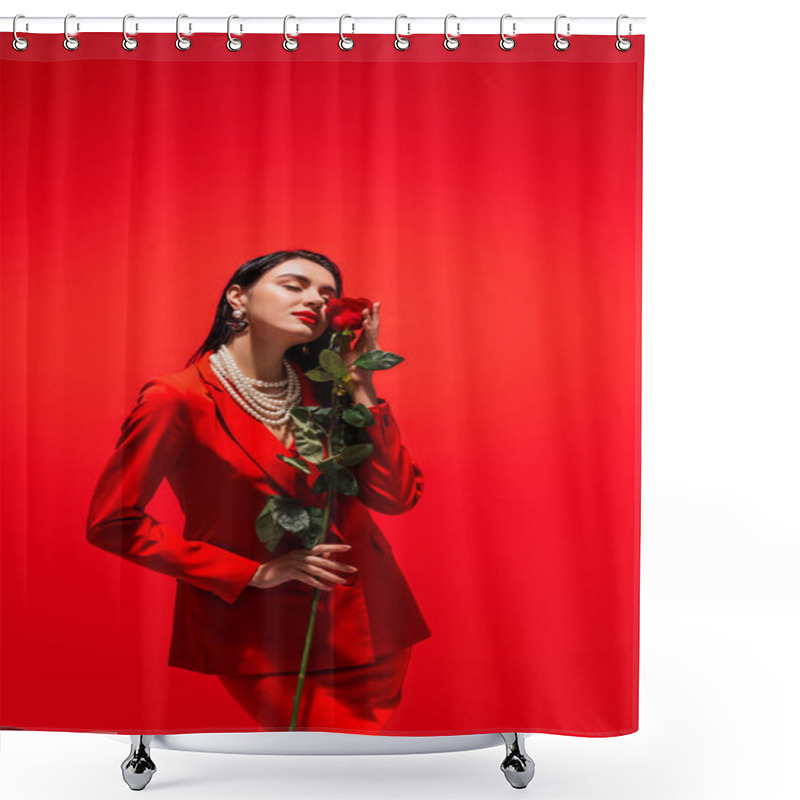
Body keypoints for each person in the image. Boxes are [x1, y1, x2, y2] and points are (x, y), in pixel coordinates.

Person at [86, 249, 431, 732]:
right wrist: (253, 573)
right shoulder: (178, 398)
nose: (316, 299)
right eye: (295, 285)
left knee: (358, 772)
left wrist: (360, 388)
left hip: (373, 623)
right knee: (311, 767)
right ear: (237, 298)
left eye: (327, 294)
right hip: (261, 631)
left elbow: (396, 496)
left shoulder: (326, 392)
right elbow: (112, 522)